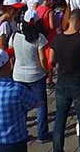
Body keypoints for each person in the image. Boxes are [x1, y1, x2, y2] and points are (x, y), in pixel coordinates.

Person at [49, 1, 80, 152]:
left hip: (62, 82)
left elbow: (51, 60)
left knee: (60, 119)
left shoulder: (57, 38)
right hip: (79, 82)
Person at [11, 8, 51, 142]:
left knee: (22, 106)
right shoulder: (39, 38)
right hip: (35, 74)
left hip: (18, 74)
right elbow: (43, 58)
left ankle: (22, 131)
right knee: (40, 105)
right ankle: (42, 133)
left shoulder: (14, 36)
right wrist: (47, 71)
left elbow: (12, 53)